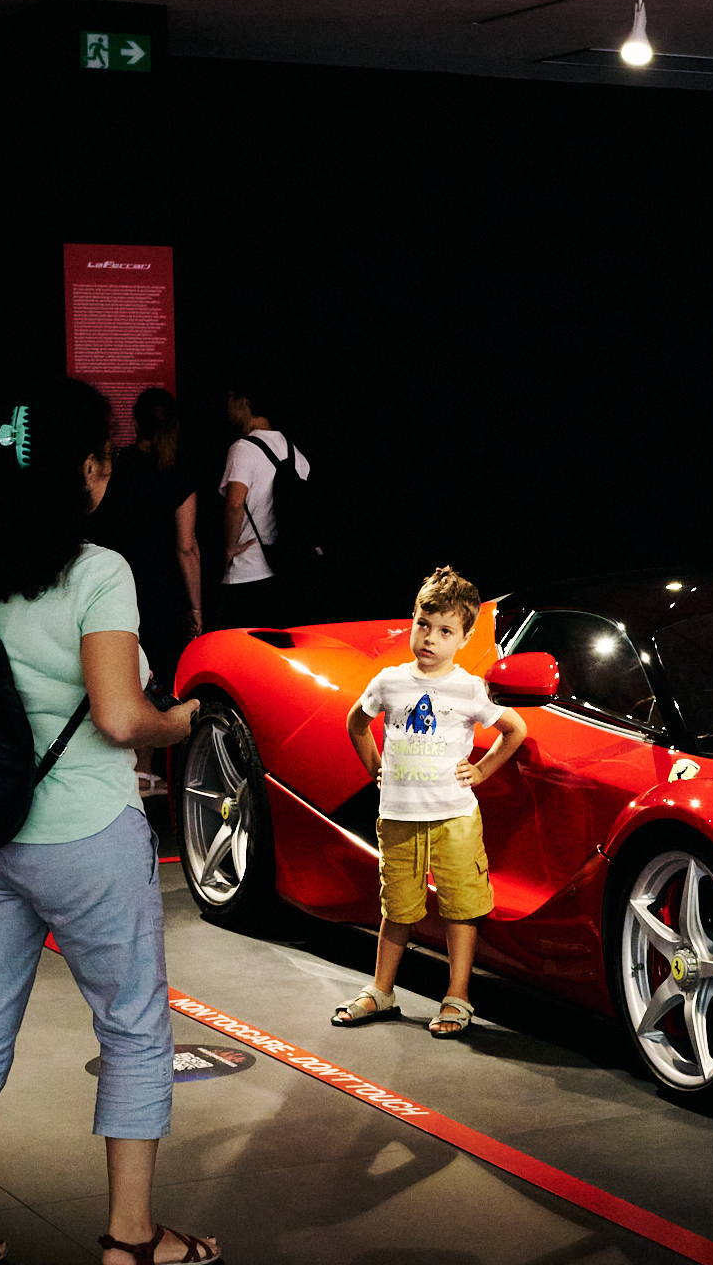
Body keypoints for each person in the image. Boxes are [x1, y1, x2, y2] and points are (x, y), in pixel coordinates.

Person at [0, 378, 214, 1265]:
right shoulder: (97, 571)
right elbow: (119, 715)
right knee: (132, 1029)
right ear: (87, 468)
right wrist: (177, 719)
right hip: (83, 836)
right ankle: (130, 1238)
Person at [330, 567, 527, 1037]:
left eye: (445, 631)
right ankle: (381, 991)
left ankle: (457, 996)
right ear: (413, 620)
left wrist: (480, 770)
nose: (430, 639)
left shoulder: (468, 688)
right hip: (398, 818)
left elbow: (514, 730)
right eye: (424, 624)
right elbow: (356, 722)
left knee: (461, 907)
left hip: (454, 818)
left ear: (464, 636)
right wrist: (374, 767)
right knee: (397, 907)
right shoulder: (390, 681)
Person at [85, 385, 200, 793]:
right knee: (156, 676)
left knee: (122, 671)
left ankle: (132, 768)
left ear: (135, 423)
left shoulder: (116, 467)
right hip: (163, 589)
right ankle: (150, 769)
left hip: (114, 583)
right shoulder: (179, 472)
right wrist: (196, 609)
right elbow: (186, 547)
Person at [215, 381, 311, 631]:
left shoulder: (242, 449)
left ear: (244, 402)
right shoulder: (295, 453)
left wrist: (228, 548)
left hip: (246, 570)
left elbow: (235, 503)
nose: (226, 403)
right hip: (284, 570)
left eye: (230, 396)